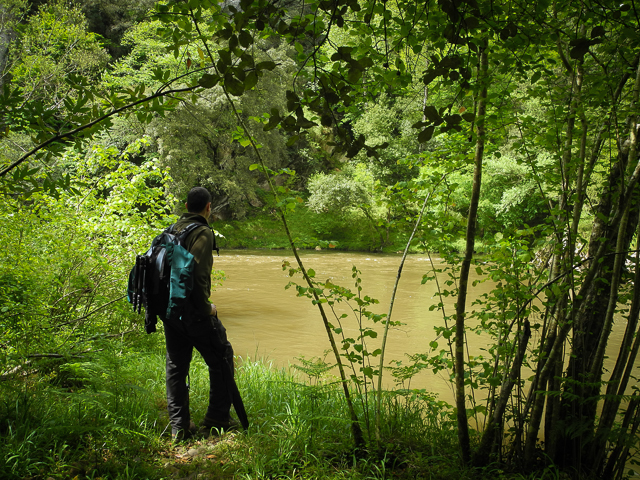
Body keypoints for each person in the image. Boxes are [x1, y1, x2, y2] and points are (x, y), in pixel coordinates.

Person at [162, 186, 238, 442]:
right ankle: (218, 419)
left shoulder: (172, 230)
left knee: (176, 366)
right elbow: (196, 276)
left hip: (170, 312)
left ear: (186, 206)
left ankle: (179, 428)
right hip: (193, 313)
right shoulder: (203, 233)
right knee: (222, 356)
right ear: (208, 208)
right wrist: (208, 309)